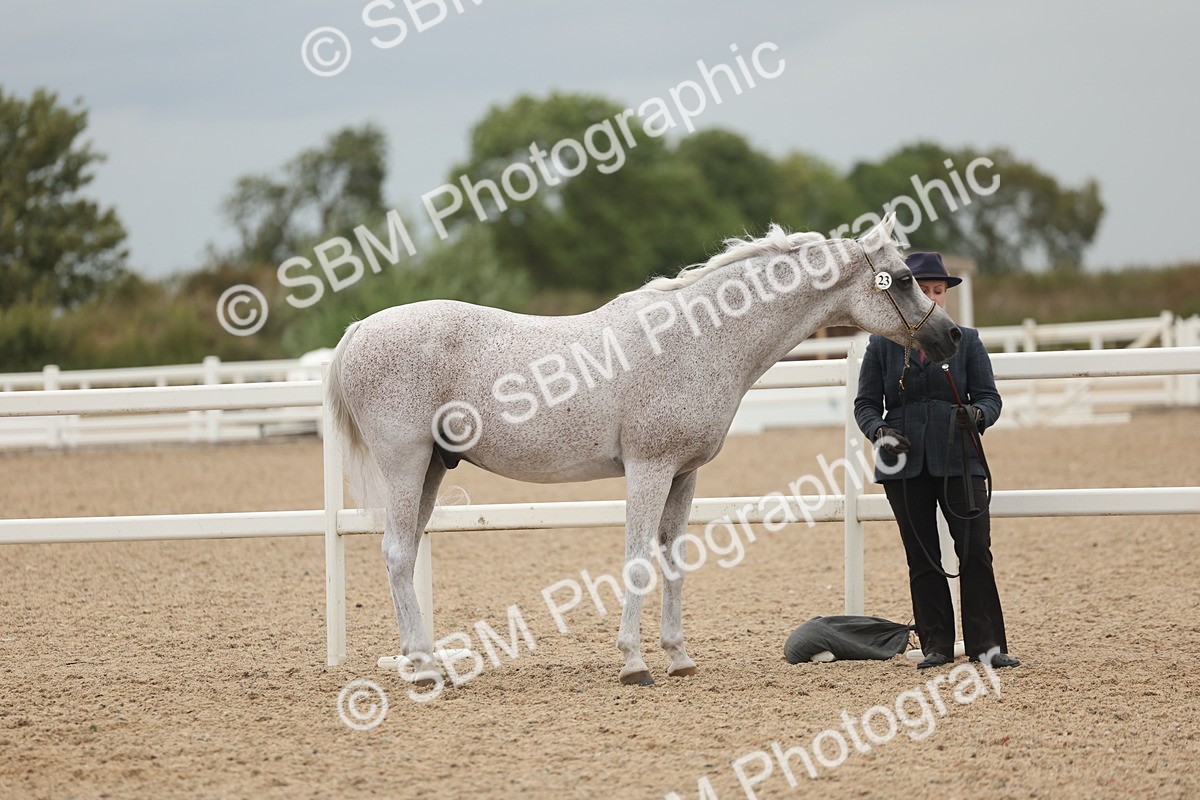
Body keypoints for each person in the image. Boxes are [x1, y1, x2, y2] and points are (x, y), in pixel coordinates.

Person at [853, 252, 1020, 670]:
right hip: (904, 465)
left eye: (937, 291)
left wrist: (977, 415)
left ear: (945, 295)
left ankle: (988, 645)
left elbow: (990, 398)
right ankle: (937, 645)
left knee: (975, 550)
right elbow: (866, 404)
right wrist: (880, 431)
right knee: (922, 555)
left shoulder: (968, 340)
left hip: (960, 457)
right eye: (923, 290)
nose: (931, 297)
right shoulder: (882, 345)